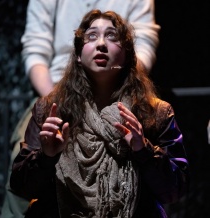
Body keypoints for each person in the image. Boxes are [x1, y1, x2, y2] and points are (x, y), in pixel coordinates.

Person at [10, 10, 189, 218]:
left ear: (128, 55)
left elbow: (176, 190)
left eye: (112, 36)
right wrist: (46, 157)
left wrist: (144, 151)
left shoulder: (154, 112)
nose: (101, 44)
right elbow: (21, 187)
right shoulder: (51, 110)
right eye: (91, 36)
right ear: (78, 55)